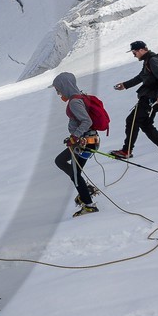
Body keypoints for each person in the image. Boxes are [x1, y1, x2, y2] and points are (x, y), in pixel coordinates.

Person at [111, 40, 158, 159]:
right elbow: (141, 77)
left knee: (132, 121)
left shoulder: (153, 60)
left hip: (152, 98)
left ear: (142, 50)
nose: (134, 55)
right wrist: (125, 85)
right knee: (145, 123)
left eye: (134, 52)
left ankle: (126, 151)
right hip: (151, 97)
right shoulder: (148, 61)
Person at [51, 71, 99, 216]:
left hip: (86, 143)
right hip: (86, 141)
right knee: (63, 163)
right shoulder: (79, 97)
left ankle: (89, 205)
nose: (58, 93)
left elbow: (87, 121)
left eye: (58, 89)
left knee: (75, 173)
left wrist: (75, 137)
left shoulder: (74, 102)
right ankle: (85, 191)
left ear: (65, 86)